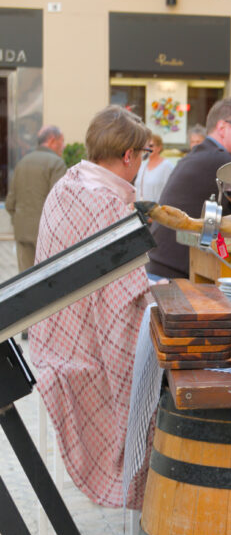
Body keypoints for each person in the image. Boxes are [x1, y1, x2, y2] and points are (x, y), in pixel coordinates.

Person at [29, 105, 153, 509]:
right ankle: (145, 485)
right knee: (160, 377)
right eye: (144, 155)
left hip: (49, 332)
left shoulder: (70, 183)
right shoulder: (108, 203)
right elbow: (125, 302)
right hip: (81, 349)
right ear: (129, 156)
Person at [146, 96, 231, 279]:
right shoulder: (221, 160)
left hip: (160, 269)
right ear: (223, 127)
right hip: (176, 280)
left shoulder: (201, 155)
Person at [6, 125, 66, 272]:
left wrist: (19, 220)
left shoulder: (22, 163)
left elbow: (9, 203)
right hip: (47, 234)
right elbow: (61, 203)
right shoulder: (56, 164)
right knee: (48, 281)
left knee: (25, 280)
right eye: (62, 141)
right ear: (52, 140)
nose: (63, 146)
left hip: (22, 231)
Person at [135, 132, 176, 202]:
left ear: (159, 148)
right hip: (140, 209)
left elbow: (172, 190)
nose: (147, 148)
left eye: (151, 146)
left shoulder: (167, 166)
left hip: (158, 209)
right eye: (145, 146)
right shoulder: (142, 165)